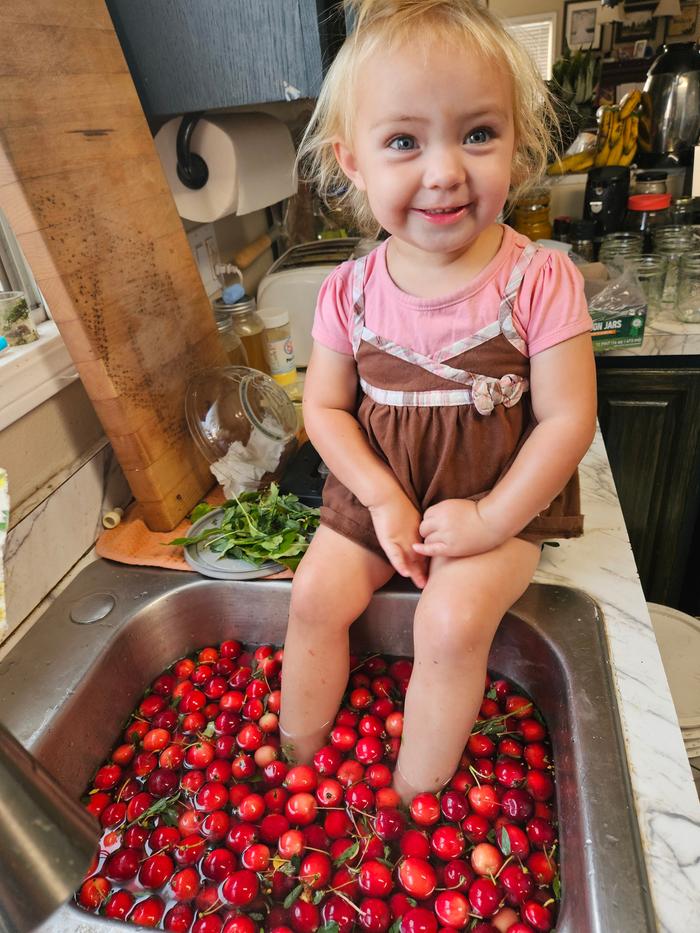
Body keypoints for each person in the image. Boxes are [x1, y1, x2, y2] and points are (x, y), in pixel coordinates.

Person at [279, 0, 596, 803]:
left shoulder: (540, 279)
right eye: (403, 142)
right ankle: (294, 767)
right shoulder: (346, 291)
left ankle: (406, 805)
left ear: (516, 142)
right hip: (382, 495)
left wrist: (489, 520)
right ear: (354, 162)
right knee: (314, 595)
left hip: (500, 504)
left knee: (449, 624)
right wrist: (382, 498)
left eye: (478, 134)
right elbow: (323, 409)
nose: (446, 170)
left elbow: (568, 420)